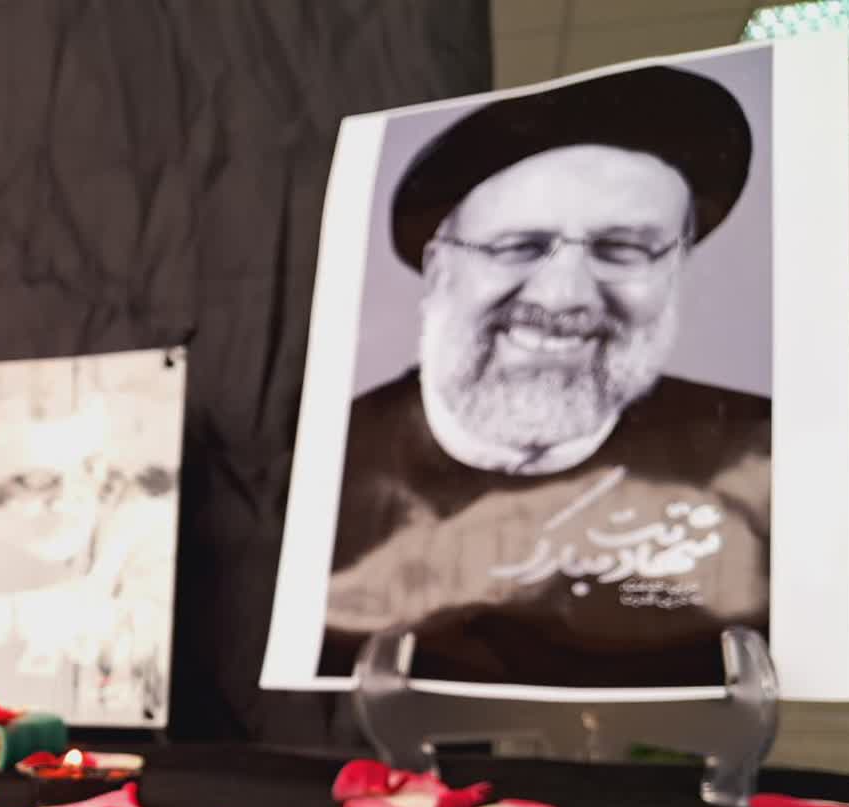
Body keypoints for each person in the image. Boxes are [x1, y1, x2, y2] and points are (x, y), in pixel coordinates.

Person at [323, 65, 770, 688]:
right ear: (439, 268)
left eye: (623, 250)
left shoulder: (765, 459)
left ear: (675, 272)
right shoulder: (330, 466)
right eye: (518, 246)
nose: (564, 296)